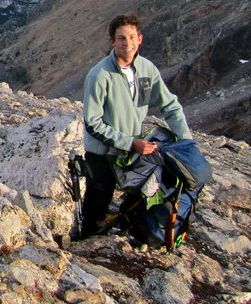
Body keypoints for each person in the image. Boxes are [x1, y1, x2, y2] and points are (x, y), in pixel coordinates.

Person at [80, 14, 191, 238]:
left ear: (140, 38)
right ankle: (88, 241)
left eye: (131, 37)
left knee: (146, 188)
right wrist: (130, 143)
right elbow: (92, 122)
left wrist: (186, 141)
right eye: (121, 38)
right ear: (112, 42)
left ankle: (134, 225)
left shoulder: (147, 70)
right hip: (102, 152)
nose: (127, 43)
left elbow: (169, 105)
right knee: (98, 201)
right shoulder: (100, 75)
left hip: (132, 148)